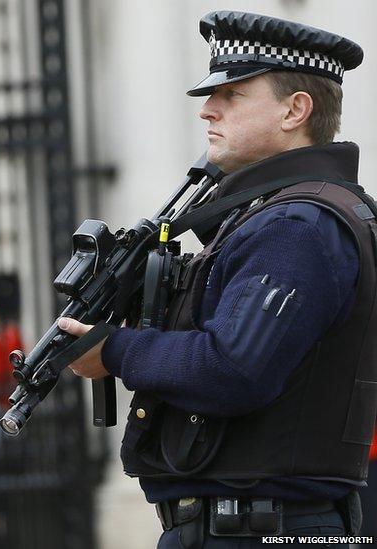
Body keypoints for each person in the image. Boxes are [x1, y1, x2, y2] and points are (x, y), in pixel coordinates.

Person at [59, 11, 374, 547]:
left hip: (262, 529)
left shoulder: (297, 225)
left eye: (233, 94)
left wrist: (116, 351)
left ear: (295, 110)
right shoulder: (274, 214)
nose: (208, 109)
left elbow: (234, 369)